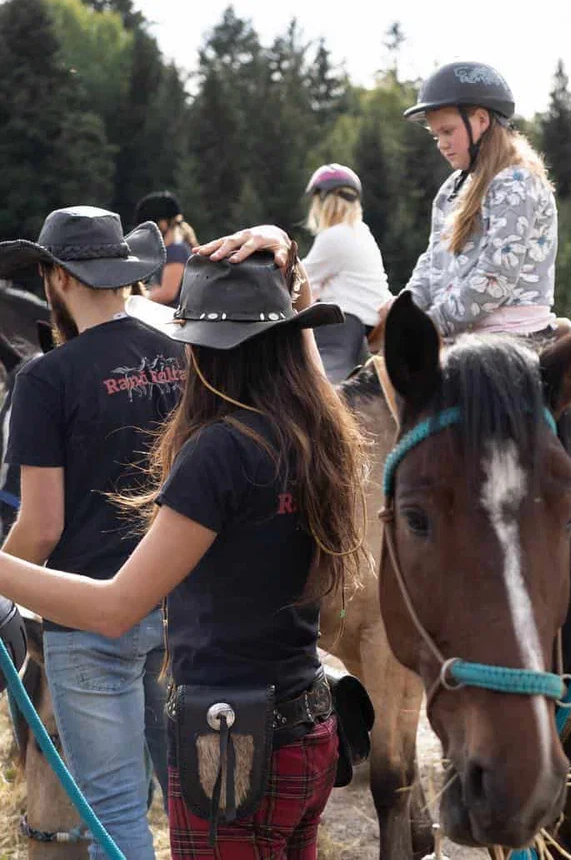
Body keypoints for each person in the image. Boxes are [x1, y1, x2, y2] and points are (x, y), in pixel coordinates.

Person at [0, 224, 368, 858]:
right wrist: (291, 272)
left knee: (116, 808)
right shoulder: (316, 434)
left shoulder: (218, 452)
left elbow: (114, 608)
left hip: (234, 744)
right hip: (308, 725)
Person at [0, 206, 179, 859]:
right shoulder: (181, 356)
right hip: (181, 607)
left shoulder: (45, 378)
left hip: (89, 620)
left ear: (59, 278)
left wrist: (3, 588)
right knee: (194, 803)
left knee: (114, 812)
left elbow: (42, 526)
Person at [391, 61, 558, 337]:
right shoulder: (451, 189)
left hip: (512, 339)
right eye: (435, 135)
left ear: (481, 120)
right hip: (460, 336)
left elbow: (495, 279)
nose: (441, 144)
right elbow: (433, 261)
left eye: (447, 131)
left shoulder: (516, 183)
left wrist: (428, 326)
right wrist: (404, 308)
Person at [301, 163, 393, 381]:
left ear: (324, 201)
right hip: (366, 327)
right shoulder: (361, 232)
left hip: (342, 328)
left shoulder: (335, 236)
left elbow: (299, 281)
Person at [135, 191, 197, 306]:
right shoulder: (178, 247)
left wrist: (132, 301)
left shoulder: (175, 251)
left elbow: (167, 293)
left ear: (162, 224)